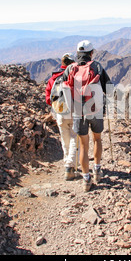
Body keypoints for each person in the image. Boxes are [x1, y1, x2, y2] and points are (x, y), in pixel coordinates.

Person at [62, 40, 112, 191]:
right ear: (91, 53)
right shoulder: (97, 66)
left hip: (78, 112)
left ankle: (86, 179)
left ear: (77, 54)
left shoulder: (70, 68)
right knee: (97, 139)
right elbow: (109, 89)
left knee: (83, 144)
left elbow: (64, 89)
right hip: (95, 109)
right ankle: (97, 170)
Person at [45, 53, 79, 180]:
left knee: (65, 139)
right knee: (74, 138)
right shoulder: (75, 77)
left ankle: (67, 163)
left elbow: (48, 99)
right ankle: (70, 165)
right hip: (75, 112)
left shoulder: (54, 78)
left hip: (60, 113)